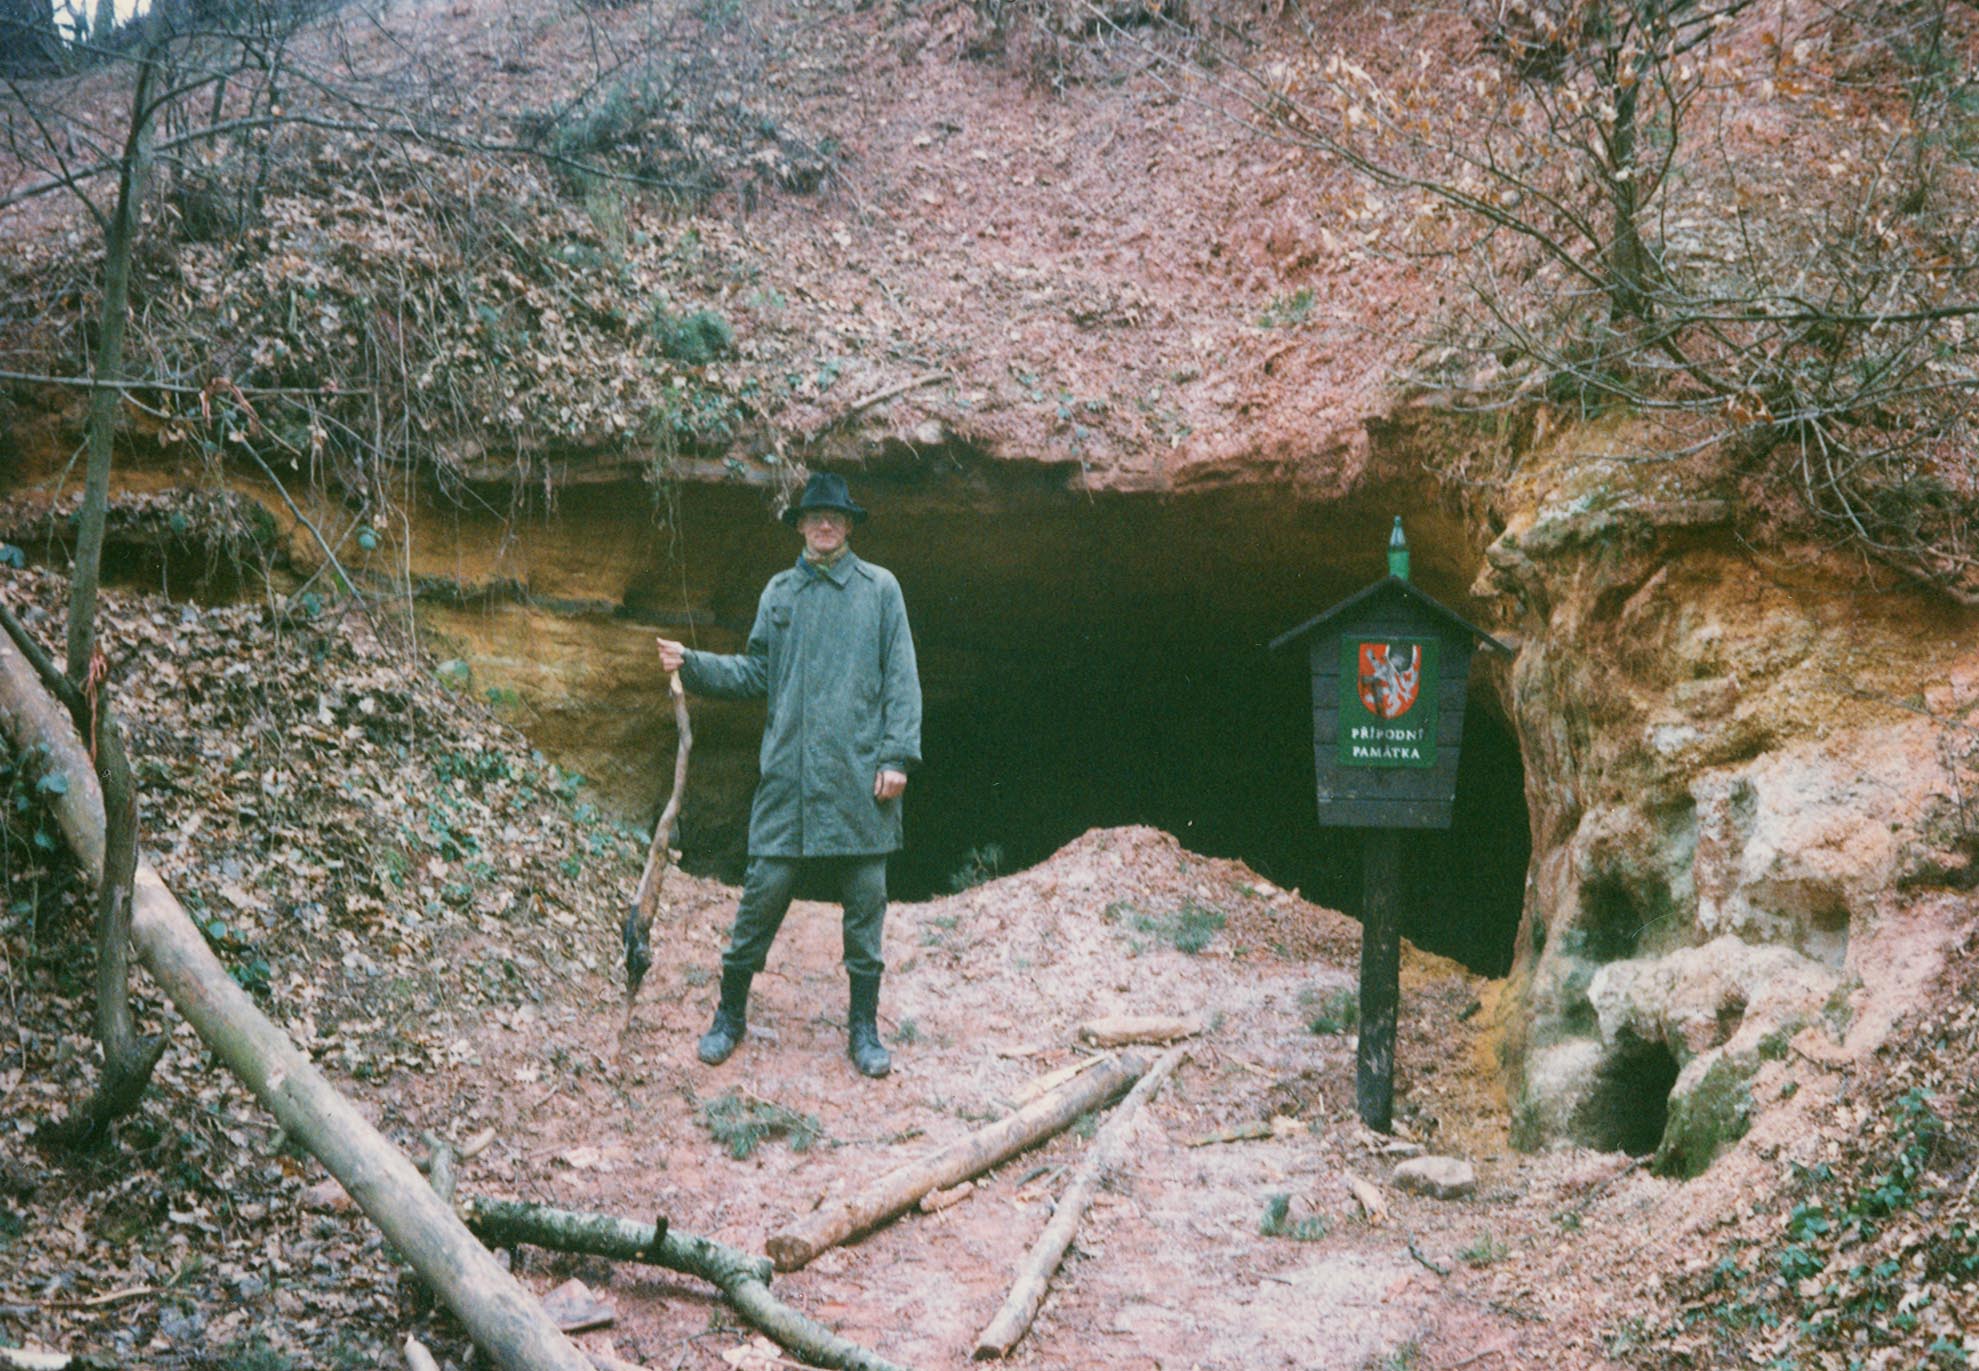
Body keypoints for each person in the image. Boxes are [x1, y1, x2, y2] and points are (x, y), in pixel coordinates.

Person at [655, 472, 922, 1078]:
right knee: (762, 896)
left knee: (866, 906)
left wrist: (897, 757)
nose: (825, 524)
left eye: (835, 516)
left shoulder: (880, 590)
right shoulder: (779, 593)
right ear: (800, 525)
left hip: (860, 775)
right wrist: (692, 664)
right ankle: (729, 1016)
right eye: (814, 515)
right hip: (789, 776)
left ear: (848, 525)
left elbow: (902, 679)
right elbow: (756, 674)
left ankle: (864, 1030)